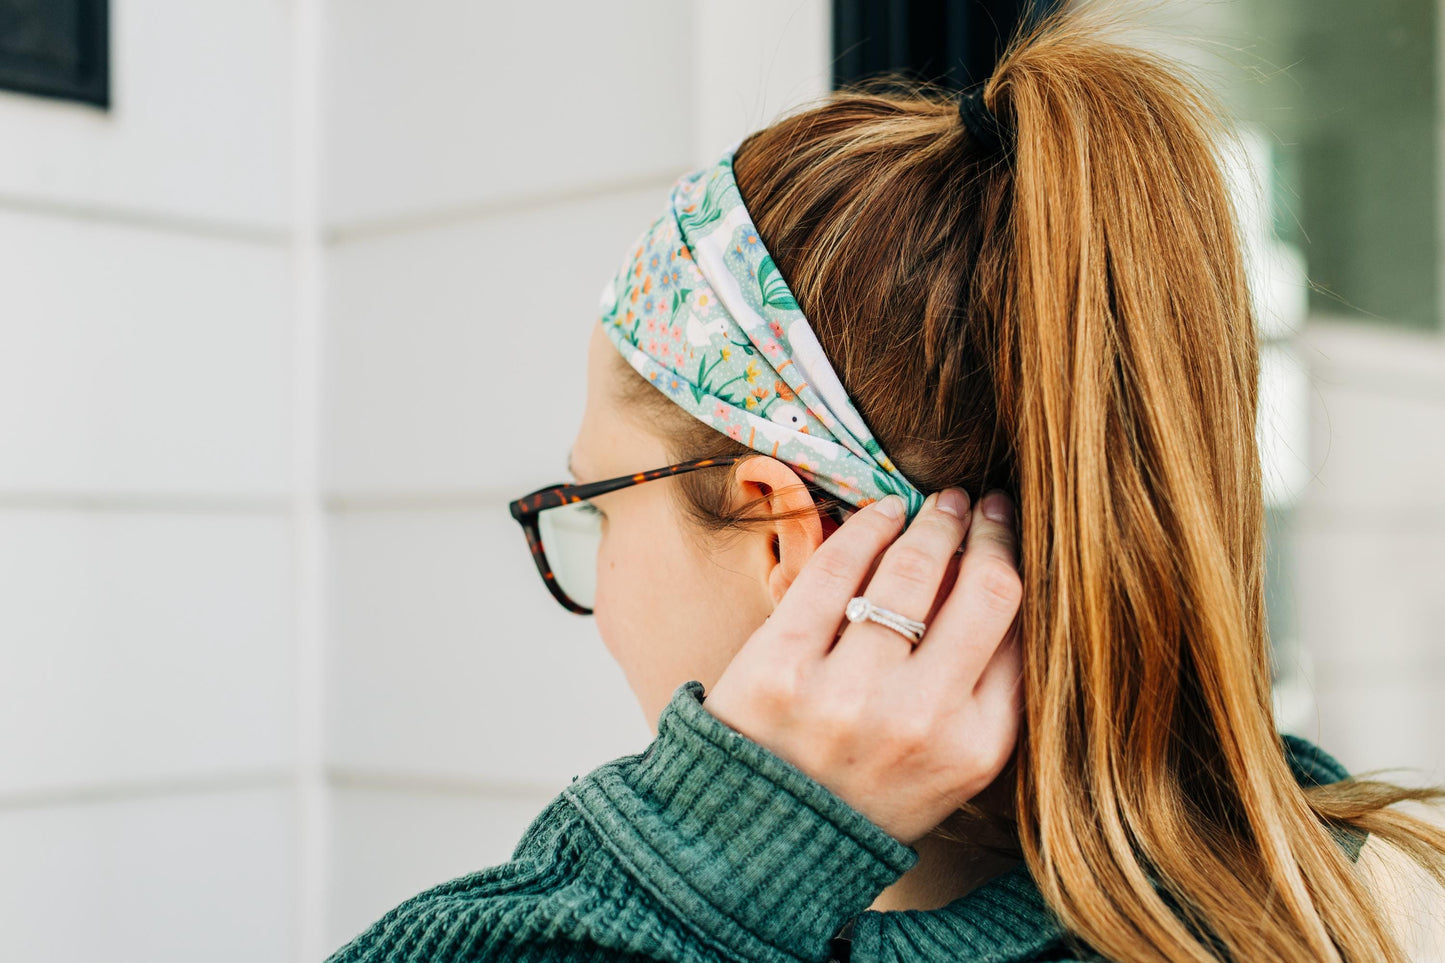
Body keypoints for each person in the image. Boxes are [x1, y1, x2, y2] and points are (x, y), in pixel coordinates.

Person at [326, 5, 1445, 962]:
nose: (598, 587)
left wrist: (714, 855)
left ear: (779, 535)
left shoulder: (683, 924)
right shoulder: (1365, 892)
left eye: (594, 511)